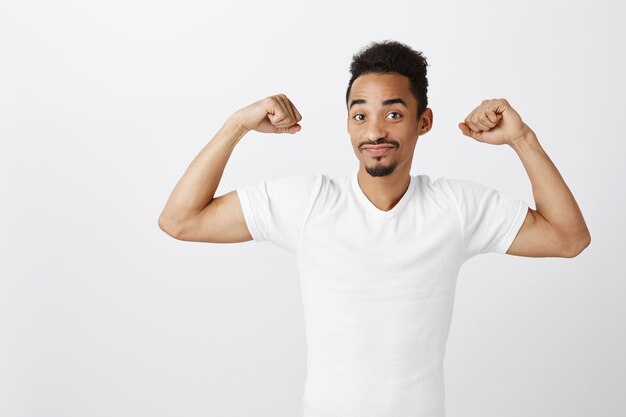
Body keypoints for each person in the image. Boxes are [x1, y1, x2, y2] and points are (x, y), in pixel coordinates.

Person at [158, 40, 590, 417]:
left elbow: (568, 238)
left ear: (424, 122)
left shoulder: (455, 208)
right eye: (359, 115)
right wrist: (237, 125)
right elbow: (180, 220)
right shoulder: (309, 203)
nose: (375, 131)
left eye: (394, 113)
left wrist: (522, 139)